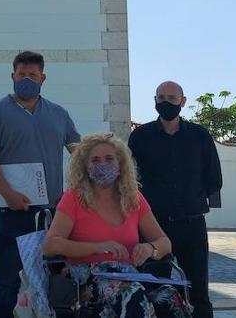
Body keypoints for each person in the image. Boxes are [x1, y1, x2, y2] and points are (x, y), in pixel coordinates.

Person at [0, 50, 81, 318]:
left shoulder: (58, 113)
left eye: (32, 75)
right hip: (10, 212)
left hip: (53, 214)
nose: (27, 79)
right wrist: (8, 194)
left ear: (43, 78)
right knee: (7, 283)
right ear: (12, 76)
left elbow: (78, 153)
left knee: (57, 280)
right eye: (22, 74)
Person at [43, 133, 188, 318]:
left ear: (120, 165)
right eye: (95, 160)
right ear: (86, 168)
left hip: (130, 275)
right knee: (132, 296)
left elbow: (164, 242)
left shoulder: (133, 199)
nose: (102, 164)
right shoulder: (73, 198)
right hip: (88, 279)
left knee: (169, 299)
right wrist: (97, 247)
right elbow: (50, 245)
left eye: (109, 159)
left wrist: (149, 248)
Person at [128, 81, 222, 318]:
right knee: (153, 288)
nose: (166, 102)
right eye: (161, 98)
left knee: (197, 289)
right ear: (155, 100)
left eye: (171, 97)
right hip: (153, 226)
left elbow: (214, 177)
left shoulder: (200, 136)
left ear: (183, 101)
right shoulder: (140, 137)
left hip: (191, 224)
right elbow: (130, 179)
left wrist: (191, 197)